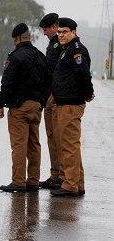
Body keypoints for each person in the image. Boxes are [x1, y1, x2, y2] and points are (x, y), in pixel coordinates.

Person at [0, 23, 49, 192]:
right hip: (36, 106)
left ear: (17, 38)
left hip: (19, 107)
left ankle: (18, 181)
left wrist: (1, 104)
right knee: (34, 144)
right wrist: (42, 101)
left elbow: (8, 83)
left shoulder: (15, 56)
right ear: (28, 37)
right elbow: (48, 82)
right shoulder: (40, 56)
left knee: (19, 145)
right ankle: (33, 180)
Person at [50, 18, 94, 197]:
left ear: (74, 32)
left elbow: (83, 74)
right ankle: (78, 183)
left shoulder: (76, 51)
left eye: (64, 32)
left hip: (70, 104)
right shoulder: (66, 50)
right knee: (71, 146)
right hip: (64, 103)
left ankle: (70, 185)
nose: (60, 35)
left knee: (69, 146)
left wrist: (87, 93)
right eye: (59, 32)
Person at [38, 13, 65, 190]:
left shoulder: (60, 44)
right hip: (49, 96)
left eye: (46, 29)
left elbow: (59, 71)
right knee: (51, 138)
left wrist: (54, 94)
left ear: (54, 27)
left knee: (60, 139)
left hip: (56, 97)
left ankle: (63, 177)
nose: (45, 33)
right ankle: (55, 174)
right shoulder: (52, 44)